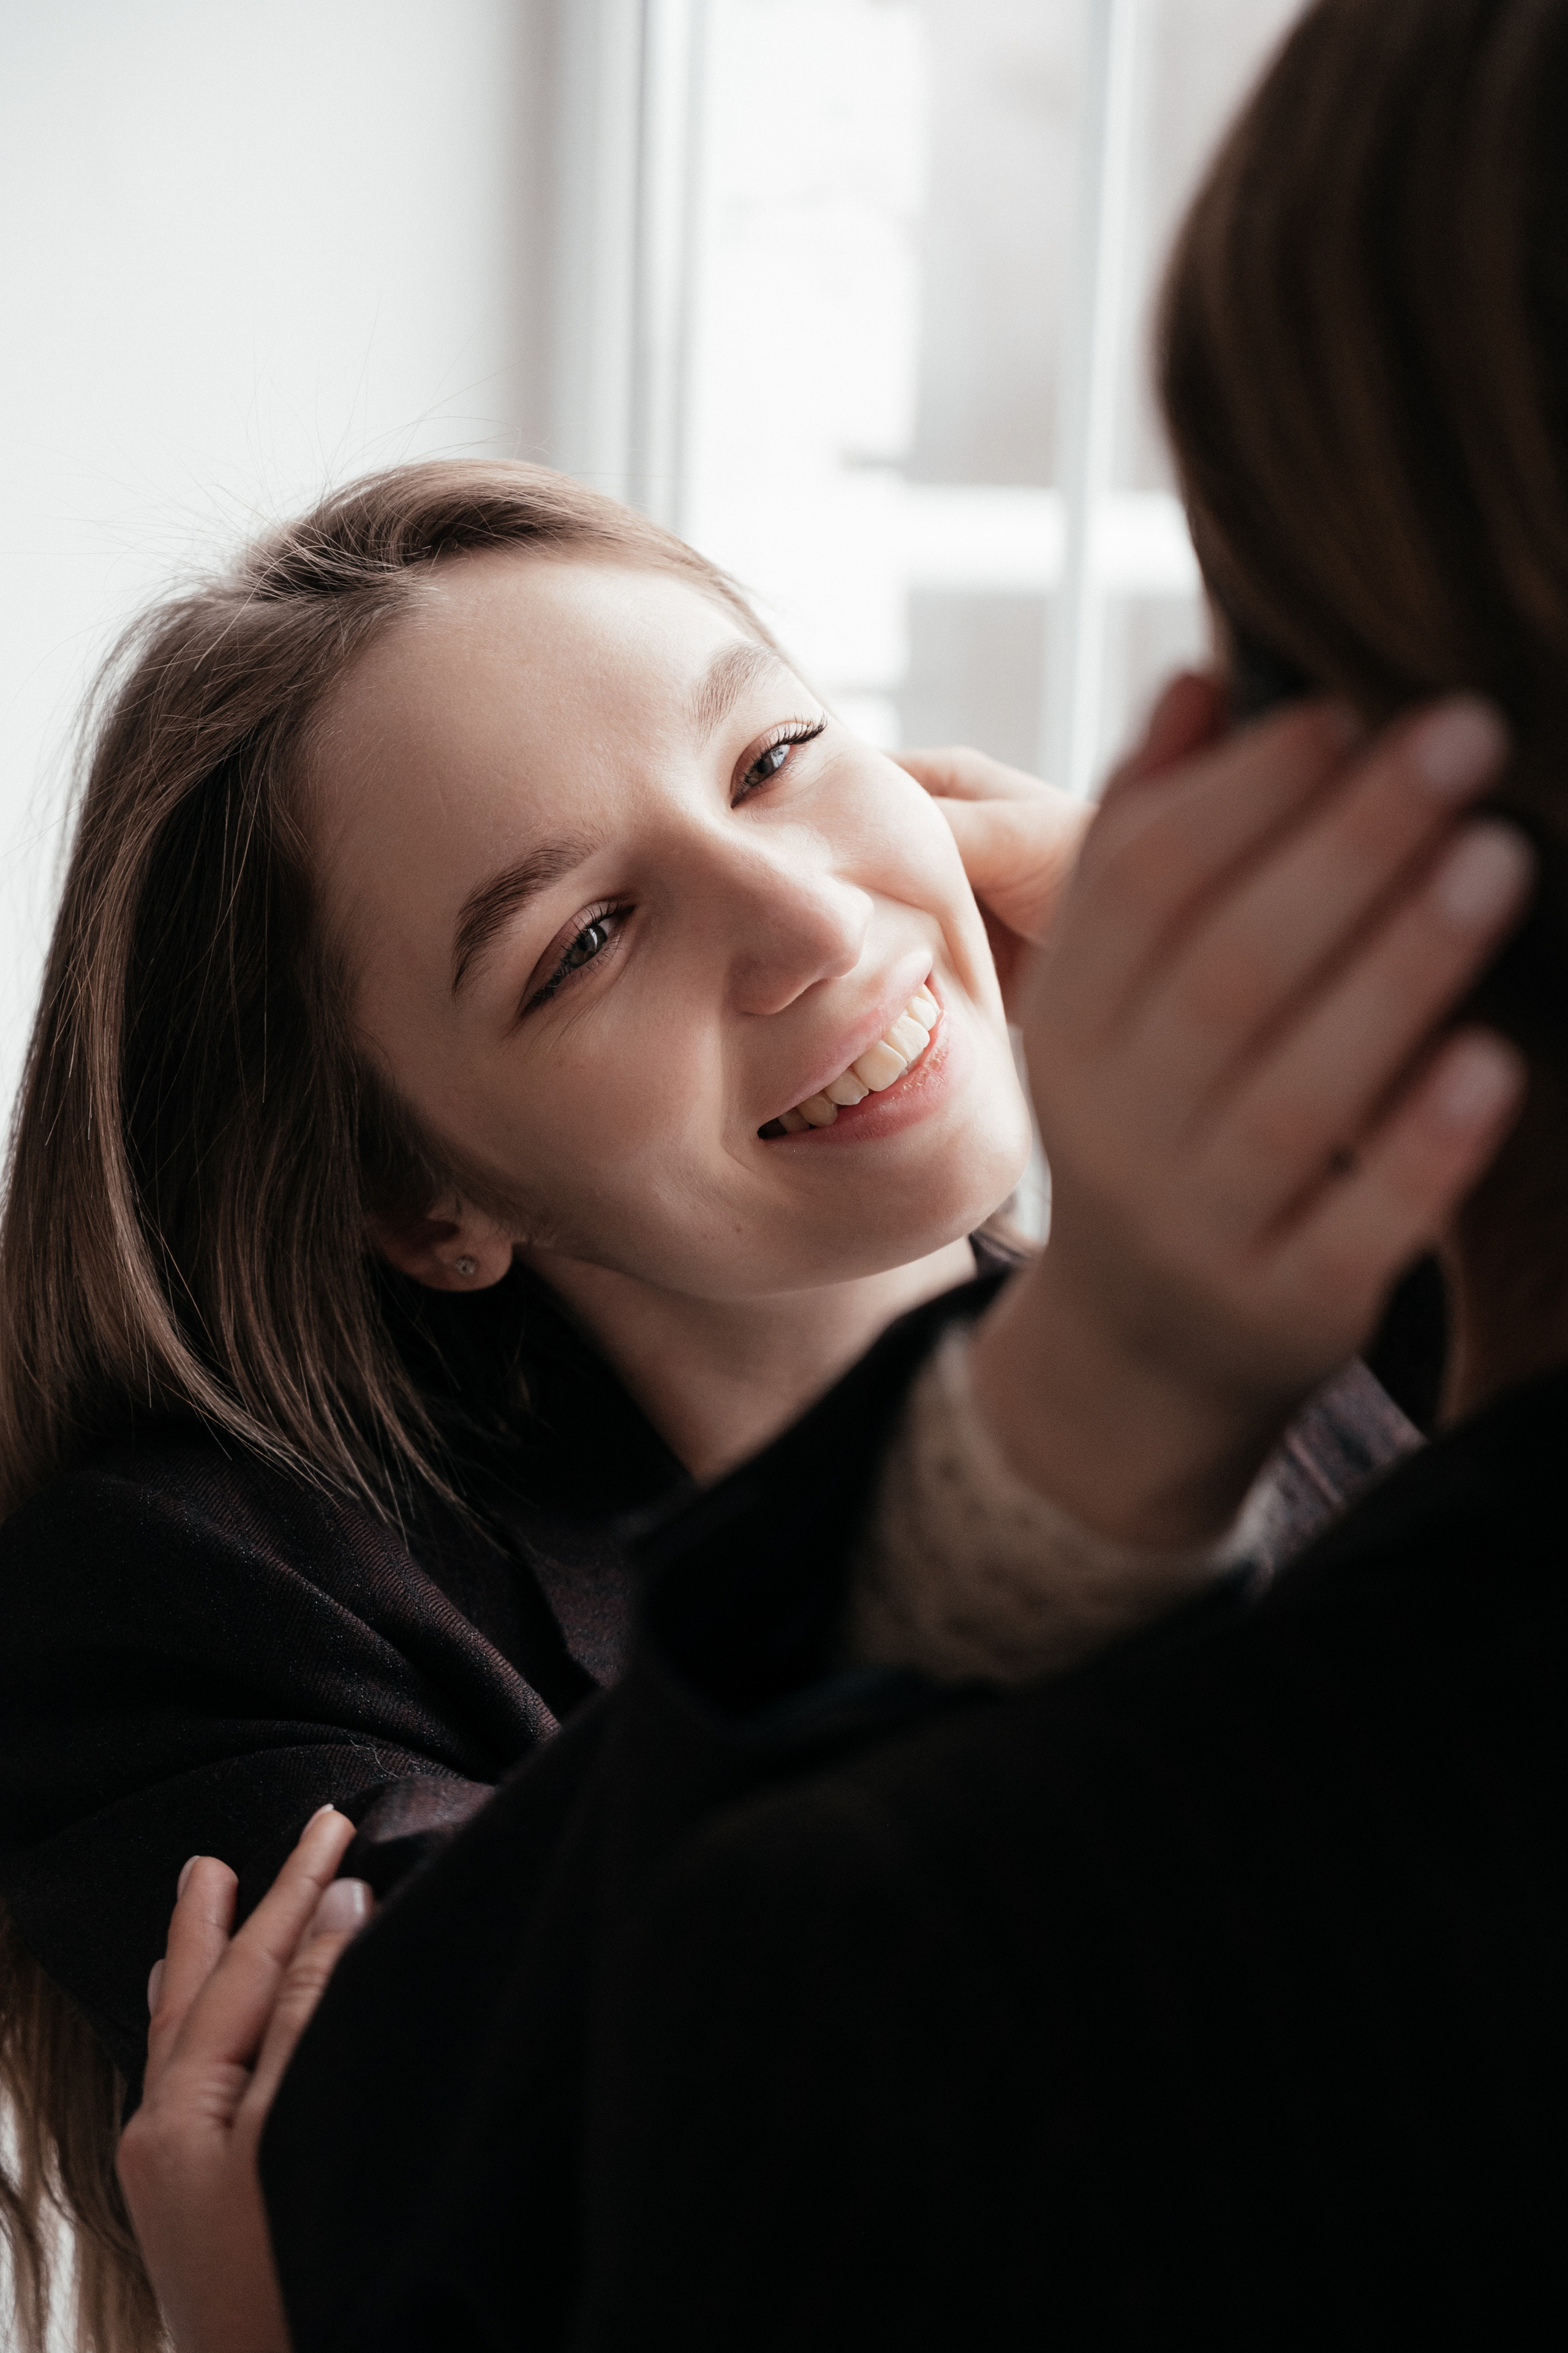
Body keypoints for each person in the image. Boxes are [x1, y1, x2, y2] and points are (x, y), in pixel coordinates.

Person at [117, 0, 1562, 2344]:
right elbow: (447, 2147)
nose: (803, 917)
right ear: (424, 1199)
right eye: (583, 940)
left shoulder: (1320, 1323)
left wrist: (1365, 1070)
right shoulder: (211, 1592)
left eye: (783, 753)